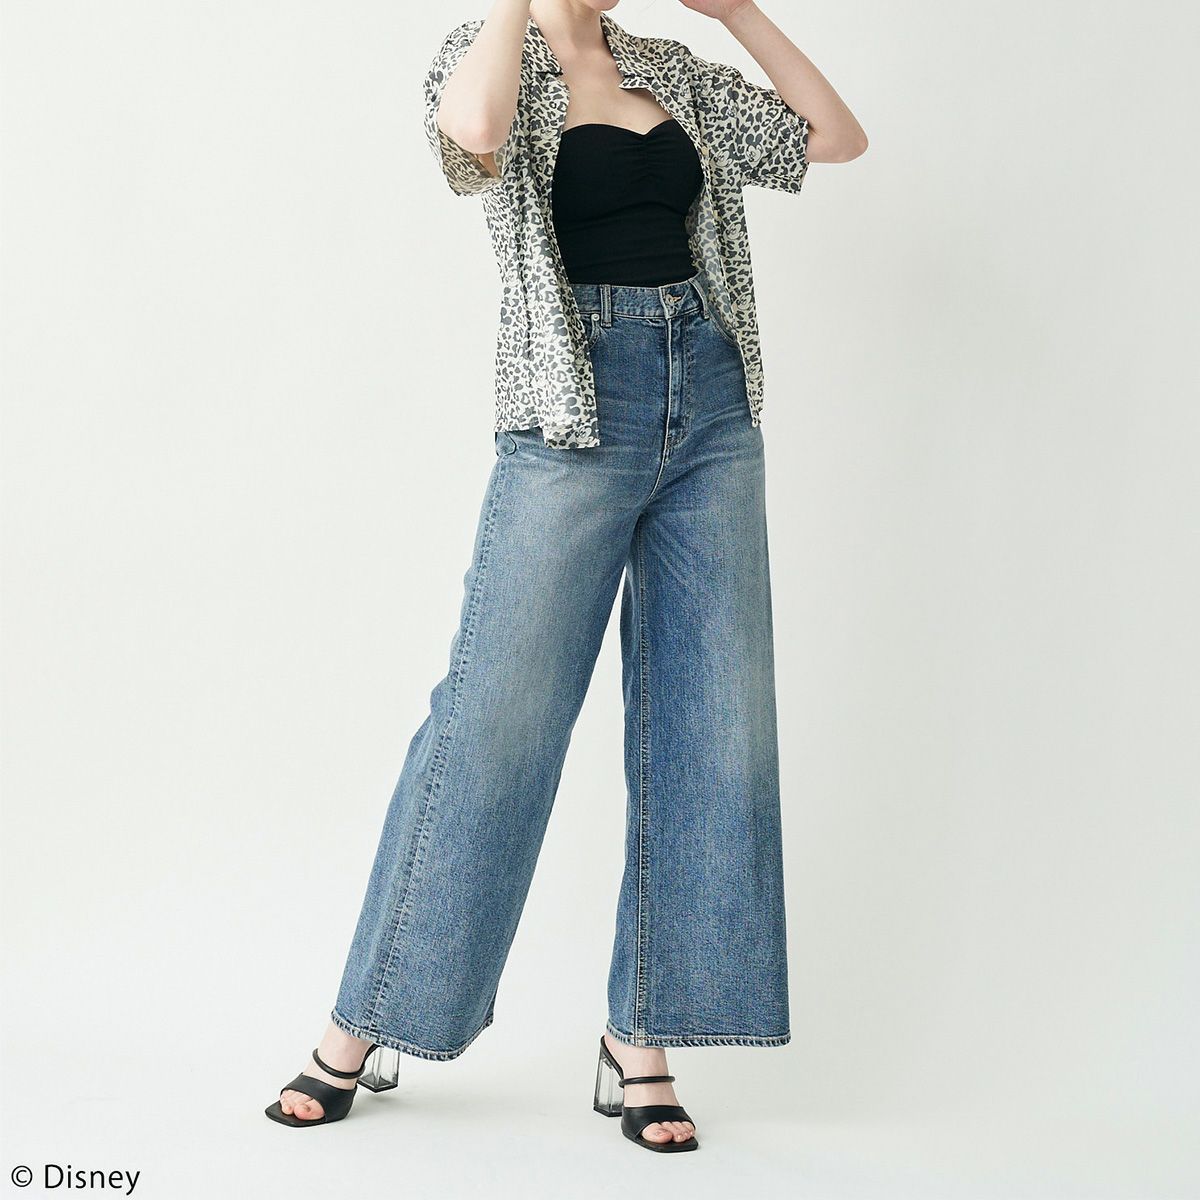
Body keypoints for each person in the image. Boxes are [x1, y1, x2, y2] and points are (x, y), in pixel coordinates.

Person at [264, 0, 867, 1153]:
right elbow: (474, 135)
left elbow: (832, 138)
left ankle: (642, 1041)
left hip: (712, 411)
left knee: (716, 729)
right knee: (495, 722)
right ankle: (364, 1017)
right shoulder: (484, 53)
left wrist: (736, 12)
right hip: (571, 414)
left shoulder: (666, 66)